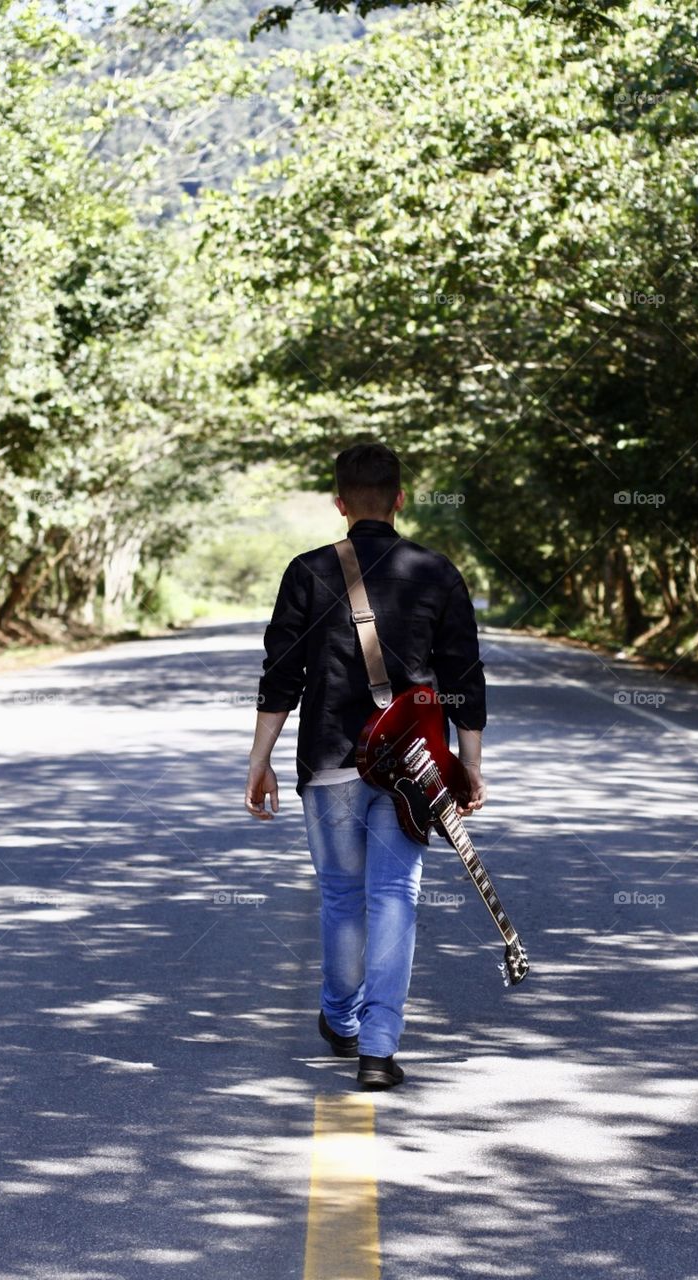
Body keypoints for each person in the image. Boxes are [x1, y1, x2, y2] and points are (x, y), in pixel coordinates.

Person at [244, 442, 487, 1089]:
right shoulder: (436, 572)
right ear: (400, 499)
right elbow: (465, 677)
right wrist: (470, 765)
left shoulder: (306, 572)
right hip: (412, 766)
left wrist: (259, 761)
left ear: (340, 504)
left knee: (343, 897)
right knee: (393, 897)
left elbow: (281, 677)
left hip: (329, 761)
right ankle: (377, 1050)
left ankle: (340, 1020)